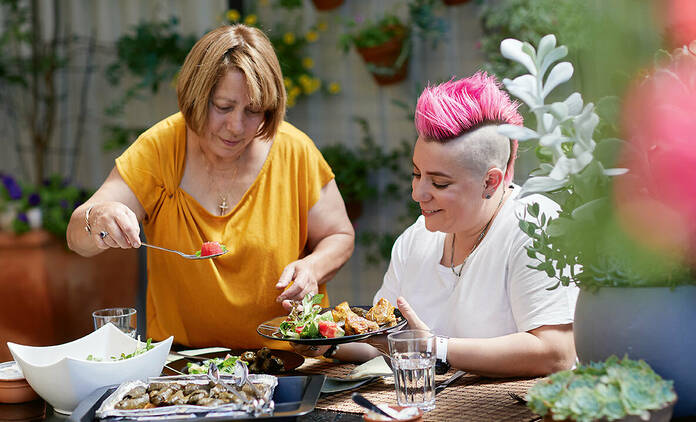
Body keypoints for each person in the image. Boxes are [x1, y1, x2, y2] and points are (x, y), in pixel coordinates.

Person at [66, 24, 355, 350]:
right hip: (180, 368)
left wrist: (312, 268)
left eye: (253, 111)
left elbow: (339, 236)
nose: (236, 126)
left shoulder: (294, 151)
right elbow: (77, 238)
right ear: (196, 97)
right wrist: (98, 218)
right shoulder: (160, 149)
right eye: (223, 107)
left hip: (287, 364)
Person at [304, 72, 578, 377]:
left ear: (491, 181)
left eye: (439, 182)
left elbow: (556, 352)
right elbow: (383, 341)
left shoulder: (534, 226)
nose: (417, 193)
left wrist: (436, 348)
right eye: (416, 173)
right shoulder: (415, 238)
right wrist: (322, 341)